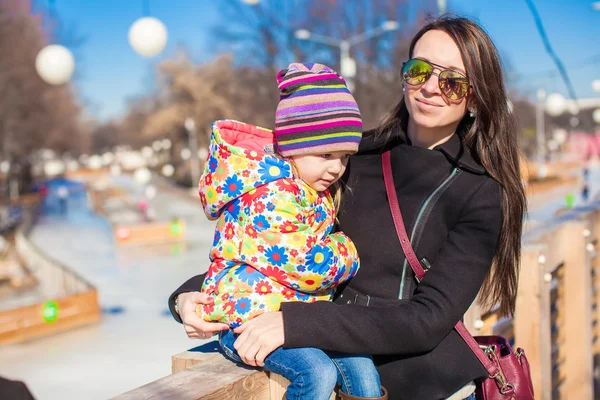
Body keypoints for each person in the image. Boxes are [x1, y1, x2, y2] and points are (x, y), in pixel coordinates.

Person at [169, 16, 526, 400]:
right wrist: (188, 298)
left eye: (453, 82)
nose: (430, 88)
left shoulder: (479, 193)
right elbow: (270, 240)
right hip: (334, 373)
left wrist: (294, 324)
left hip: (424, 387)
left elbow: (427, 319)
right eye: (419, 70)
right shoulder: (347, 158)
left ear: (475, 97)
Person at [189, 63, 385, 400]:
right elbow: (304, 267)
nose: (337, 167)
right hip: (243, 320)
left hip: (291, 315)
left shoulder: (309, 189)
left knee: (361, 368)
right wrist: (347, 250)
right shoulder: (273, 195)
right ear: (294, 145)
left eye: (344, 156)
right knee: (316, 373)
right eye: (326, 154)